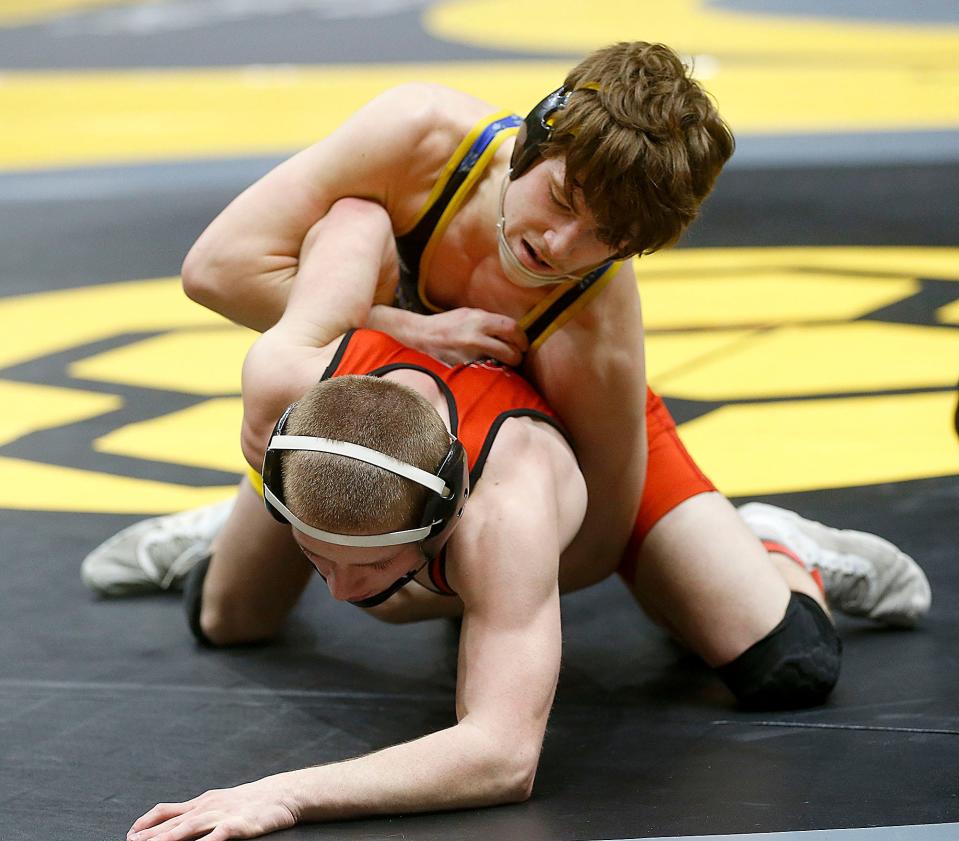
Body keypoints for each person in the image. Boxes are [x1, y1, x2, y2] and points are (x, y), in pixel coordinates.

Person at [87, 40, 928, 725]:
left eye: (602, 236)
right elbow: (217, 268)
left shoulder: (593, 323)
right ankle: (240, 525)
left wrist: (448, 572)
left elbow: (595, 538)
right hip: (372, 408)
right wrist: (411, 329)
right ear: (530, 144)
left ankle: (778, 548)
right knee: (228, 621)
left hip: (531, 443)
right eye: (560, 198)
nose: (559, 246)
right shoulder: (420, 139)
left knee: (784, 662)